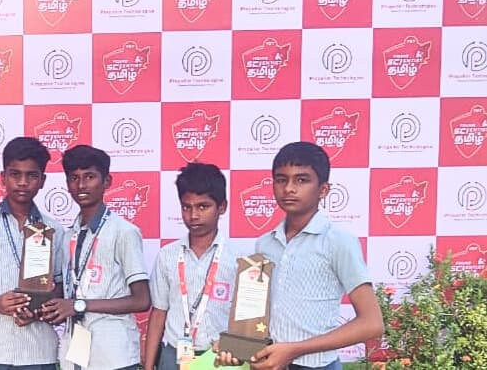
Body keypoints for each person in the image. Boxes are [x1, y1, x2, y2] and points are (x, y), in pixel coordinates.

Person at [216, 141, 384, 370]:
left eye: (302, 180)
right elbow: (257, 316)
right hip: (268, 363)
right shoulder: (265, 243)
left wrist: (295, 349)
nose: (289, 189)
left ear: (323, 190)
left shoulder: (338, 241)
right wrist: (240, 347)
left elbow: (372, 324)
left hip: (317, 366)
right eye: (281, 179)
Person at [0, 136, 66, 370]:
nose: (23, 182)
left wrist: (37, 309)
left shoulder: (55, 230)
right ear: (3, 177)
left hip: (37, 349)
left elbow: (59, 284)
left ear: (43, 180)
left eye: (32, 175)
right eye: (15, 174)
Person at [40, 145, 151, 370]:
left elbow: (142, 300)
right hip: (75, 354)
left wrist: (78, 306)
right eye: (74, 178)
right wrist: (42, 307)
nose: (81, 185)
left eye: (89, 177)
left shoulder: (124, 232)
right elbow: (65, 293)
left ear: (107, 181)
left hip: (114, 355)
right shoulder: (67, 234)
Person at [144, 162, 238, 370]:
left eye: (203, 206)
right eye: (187, 207)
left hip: (220, 356)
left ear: (222, 206)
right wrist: (149, 366)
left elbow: (244, 318)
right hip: (174, 355)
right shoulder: (167, 255)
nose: (193, 215)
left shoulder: (238, 259)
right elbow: (159, 313)